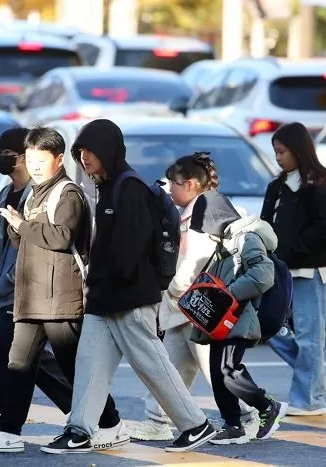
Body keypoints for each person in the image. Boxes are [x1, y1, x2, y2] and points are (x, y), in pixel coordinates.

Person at [42, 119, 216, 454]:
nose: (85, 157)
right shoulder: (107, 186)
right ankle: (79, 430)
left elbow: (130, 248)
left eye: (90, 150)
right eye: (80, 151)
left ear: (108, 149)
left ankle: (196, 424)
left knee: (151, 363)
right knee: (90, 362)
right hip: (106, 297)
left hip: (130, 296)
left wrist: (105, 280)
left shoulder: (129, 187)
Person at [0, 127, 121, 453]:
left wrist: (22, 225)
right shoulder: (34, 192)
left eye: (41, 159)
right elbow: (26, 242)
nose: (35, 166)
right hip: (32, 294)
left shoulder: (68, 193)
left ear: (58, 159)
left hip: (59, 297)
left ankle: (110, 422)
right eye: (31, 159)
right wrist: (15, 228)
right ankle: (9, 430)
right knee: (19, 365)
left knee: (71, 366)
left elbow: (61, 237)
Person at [128, 153, 258, 442]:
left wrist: (174, 289)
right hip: (188, 307)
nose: (168, 189)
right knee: (171, 368)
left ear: (188, 184)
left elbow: (197, 257)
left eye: (172, 184)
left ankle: (252, 413)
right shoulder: (197, 208)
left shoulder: (203, 210)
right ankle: (157, 419)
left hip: (199, 306)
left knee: (216, 371)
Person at [0, 128, 75, 449]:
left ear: (26, 156)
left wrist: (10, 282)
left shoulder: (42, 197)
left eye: (7, 153)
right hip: (8, 293)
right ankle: (91, 411)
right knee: (33, 363)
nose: (1, 158)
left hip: (30, 290)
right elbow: (2, 249)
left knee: (6, 359)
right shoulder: (4, 194)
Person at [189, 190, 287, 445]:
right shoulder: (228, 240)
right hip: (225, 319)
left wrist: (228, 294)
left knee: (228, 370)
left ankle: (267, 406)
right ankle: (232, 424)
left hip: (240, 316)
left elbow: (263, 274)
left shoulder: (246, 237)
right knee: (217, 370)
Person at [261, 122, 326, 416]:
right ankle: (316, 374)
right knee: (269, 327)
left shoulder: (317, 185)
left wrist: (293, 248)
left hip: (312, 271)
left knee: (309, 335)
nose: (278, 157)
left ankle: (309, 400)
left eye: (282, 151)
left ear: (298, 149)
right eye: (276, 152)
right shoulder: (277, 187)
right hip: (281, 270)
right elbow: (266, 225)